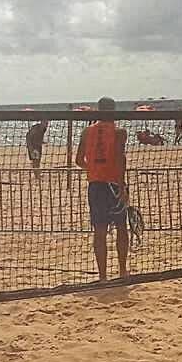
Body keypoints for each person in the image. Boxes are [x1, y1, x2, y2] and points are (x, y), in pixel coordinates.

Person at [74, 97, 130, 282]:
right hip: (113, 184)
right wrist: (122, 186)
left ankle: (103, 276)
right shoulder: (119, 132)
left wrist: (93, 169)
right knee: (121, 228)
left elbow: (78, 160)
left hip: (95, 184)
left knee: (99, 231)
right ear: (113, 111)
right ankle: (122, 272)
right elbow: (120, 160)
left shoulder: (86, 132)